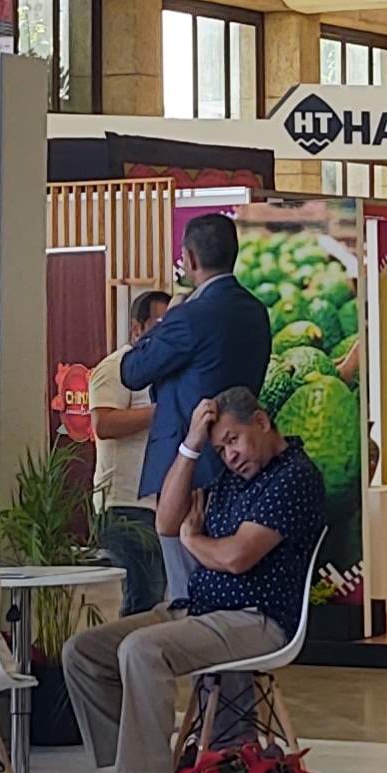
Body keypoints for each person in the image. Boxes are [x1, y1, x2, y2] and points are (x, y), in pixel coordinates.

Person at [64, 387, 330, 773]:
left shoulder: (293, 477)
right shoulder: (231, 478)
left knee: (143, 650)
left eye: (233, 440)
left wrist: (193, 540)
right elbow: (167, 522)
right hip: (199, 608)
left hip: (256, 617)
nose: (230, 455)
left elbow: (236, 556)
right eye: (220, 448)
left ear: (261, 422)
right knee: (84, 651)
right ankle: (130, 771)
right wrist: (190, 445)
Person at [115, 214, 272, 600]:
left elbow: (132, 371)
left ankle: (192, 633)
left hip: (189, 467)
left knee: (185, 580)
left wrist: (158, 327)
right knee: (228, 577)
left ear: (189, 258)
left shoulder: (188, 317)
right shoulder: (256, 311)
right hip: (243, 458)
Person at [89, 287, 174, 612]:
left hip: (162, 505)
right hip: (125, 505)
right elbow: (103, 424)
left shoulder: (166, 372)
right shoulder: (115, 367)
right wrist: (163, 410)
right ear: (137, 328)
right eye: (160, 324)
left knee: (158, 599)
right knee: (142, 599)